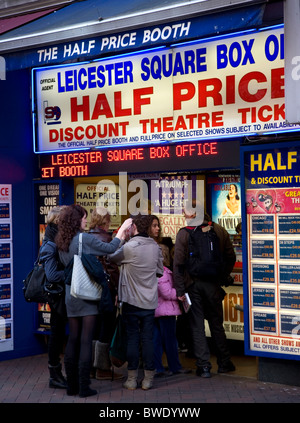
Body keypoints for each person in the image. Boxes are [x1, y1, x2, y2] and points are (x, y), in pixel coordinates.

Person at [55, 204, 132, 397]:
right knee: (86, 340)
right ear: (76, 220)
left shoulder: (62, 240)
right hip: (86, 293)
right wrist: (122, 231)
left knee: (72, 339)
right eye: (83, 218)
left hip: (70, 292)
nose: (86, 221)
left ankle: (71, 386)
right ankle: (83, 387)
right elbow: (110, 248)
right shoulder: (83, 238)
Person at [173, 203, 236, 378]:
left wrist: (180, 289)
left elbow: (178, 263)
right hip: (213, 285)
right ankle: (224, 362)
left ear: (193, 214)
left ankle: (204, 366)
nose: (183, 214)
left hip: (193, 285)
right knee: (217, 324)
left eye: (185, 212)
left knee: (197, 325)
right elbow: (231, 256)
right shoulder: (219, 230)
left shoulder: (184, 233)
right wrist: (222, 275)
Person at [109, 214, 164, 390]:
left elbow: (111, 256)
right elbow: (160, 271)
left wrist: (121, 237)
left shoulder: (129, 247)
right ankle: (148, 378)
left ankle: (131, 378)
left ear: (134, 228)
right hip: (149, 301)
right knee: (147, 339)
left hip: (131, 300)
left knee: (132, 338)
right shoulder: (156, 247)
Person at [148, 215, 191, 377]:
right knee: (171, 340)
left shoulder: (154, 272)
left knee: (156, 339)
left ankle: (158, 367)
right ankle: (174, 365)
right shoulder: (163, 273)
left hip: (155, 309)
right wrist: (178, 294)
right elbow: (166, 292)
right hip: (166, 311)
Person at [88, 207, 121, 380]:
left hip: (89, 291)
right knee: (106, 328)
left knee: (93, 329)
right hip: (106, 292)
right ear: (105, 220)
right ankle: (102, 368)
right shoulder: (107, 240)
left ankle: (92, 368)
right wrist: (116, 291)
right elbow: (112, 269)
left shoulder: (85, 238)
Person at [39, 206, 68, 390]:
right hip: (57, 296)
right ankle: (55, 375)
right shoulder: (51, 243)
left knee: (58, 334)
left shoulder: (56, 238)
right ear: (58, 221)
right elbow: (51, 275)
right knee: (56, 334)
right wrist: (71, 272)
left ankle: (56, 374)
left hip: (60, 295)